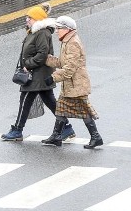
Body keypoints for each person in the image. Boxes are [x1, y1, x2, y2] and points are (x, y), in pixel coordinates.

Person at [41, 15, 104, 149]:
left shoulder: (73, 43)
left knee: (84, 111)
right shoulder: (66, 41)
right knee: (61, 109)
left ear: (67, 29)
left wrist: (53, 77)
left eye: (58, 28)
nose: (56, 31)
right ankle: (56, 136)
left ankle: (96, 136)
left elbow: (70, 68)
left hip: (77, 85)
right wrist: (46, 59)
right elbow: (62, 62)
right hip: (71, 85)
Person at [1, 4, 57, 141]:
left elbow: (43, 54)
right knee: (50, 101)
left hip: (37, 74)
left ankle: (17, 130)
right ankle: (66, 127)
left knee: (25, 100)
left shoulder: (42, 33)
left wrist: (28, 64)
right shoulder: (35, 31)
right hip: (39, 74)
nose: (27, 20)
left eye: (29, 18)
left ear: (37, 19)